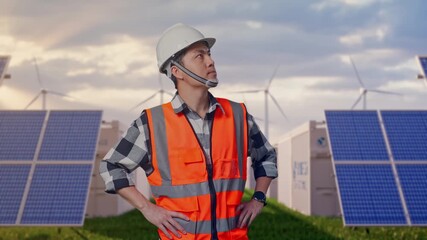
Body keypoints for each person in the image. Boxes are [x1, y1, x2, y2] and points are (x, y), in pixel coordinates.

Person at [99, 23, 278, 240]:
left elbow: (267, 155)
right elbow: (111, 166)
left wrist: (258, 198)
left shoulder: (237, 115)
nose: (211, 61)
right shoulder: (151, 124)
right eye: (199, 56)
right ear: (176, 71)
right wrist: (147, 208)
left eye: (209, 54)